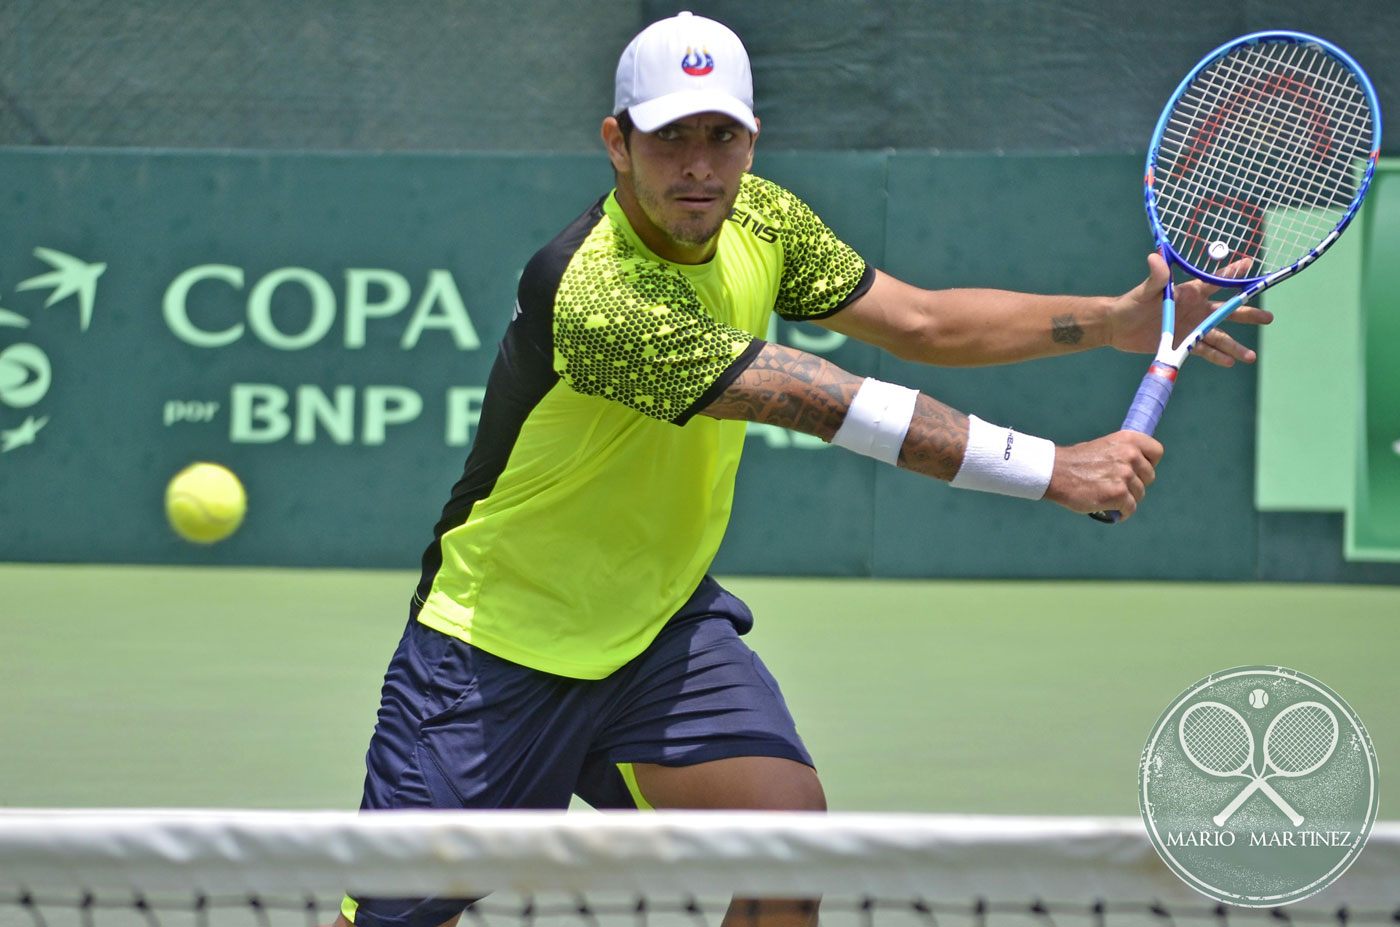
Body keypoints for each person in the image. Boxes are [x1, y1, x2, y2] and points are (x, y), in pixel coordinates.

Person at [336, 11, 1269, 927]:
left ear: (751, 140)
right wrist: (1053, 468)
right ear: (617, 144)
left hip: (654, 630)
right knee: (398, 918)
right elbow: (823, 400)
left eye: (721, 135)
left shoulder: (765, 217)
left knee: (789, 845)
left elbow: (923, 323)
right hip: (494, 647)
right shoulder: (595, 293)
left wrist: (1111, 321)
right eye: (669, 139)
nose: (699, 166)